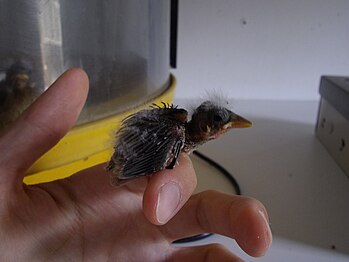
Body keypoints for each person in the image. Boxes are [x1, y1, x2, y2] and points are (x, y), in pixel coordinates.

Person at [0, 68, 272, 261]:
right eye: (220, 123)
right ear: (206, 127)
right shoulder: (176, 133)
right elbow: (127, 163)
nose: (224, 128)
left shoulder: (177, 127)